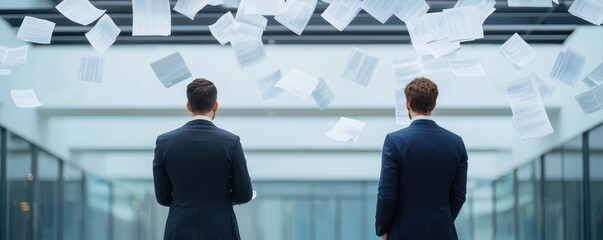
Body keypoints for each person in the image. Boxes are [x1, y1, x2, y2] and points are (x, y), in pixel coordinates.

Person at [153, 78, 253, 240]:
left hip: (178, 230)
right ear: (215, 106)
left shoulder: (164, 142)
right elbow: (244, 194)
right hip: (222, 230)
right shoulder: (231, 142)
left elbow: (163, 197)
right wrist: (220, 201)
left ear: (188, 106)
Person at [375, 77, 468, 240]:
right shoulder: (456, 143)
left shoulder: (394, 142)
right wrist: (443, 220)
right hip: (443, 232)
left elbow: (387, 194)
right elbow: (458, 196)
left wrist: (383, 228)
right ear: (433, 105)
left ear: (407, 104)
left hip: (403, 232)